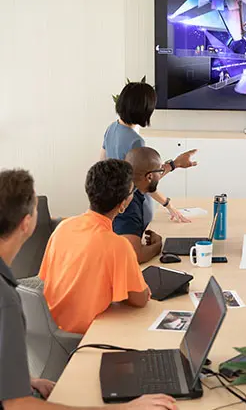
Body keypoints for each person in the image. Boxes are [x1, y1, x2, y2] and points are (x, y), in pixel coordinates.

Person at [0, 169, 177, 410]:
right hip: (83, 340)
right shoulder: (6, 300)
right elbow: (17, 406)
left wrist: (24, 381)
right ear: (27, 223)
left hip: (52, 334)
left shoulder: (62, 228)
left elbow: (45, 279)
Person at [39, 160, 151, 335]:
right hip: (84, 336)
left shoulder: (63, 227)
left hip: (51, 326)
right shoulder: (118, 245)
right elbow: (139, 299)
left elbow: (47, 277)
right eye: (132, 192)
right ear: (123, 204)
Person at [101, 81, 197, 224]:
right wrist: (169, 205)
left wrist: (173, 164)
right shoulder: (135, 141)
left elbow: (102, 165)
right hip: (133, 209)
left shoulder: (111, 129)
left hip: (116, 207)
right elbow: (146, 183)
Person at [113, 147, 165, 263]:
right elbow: (135, 256)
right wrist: (158, 245)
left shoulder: (129, 193)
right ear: (149, 177)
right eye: (160, 171)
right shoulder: (129, 204)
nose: (161, 175)